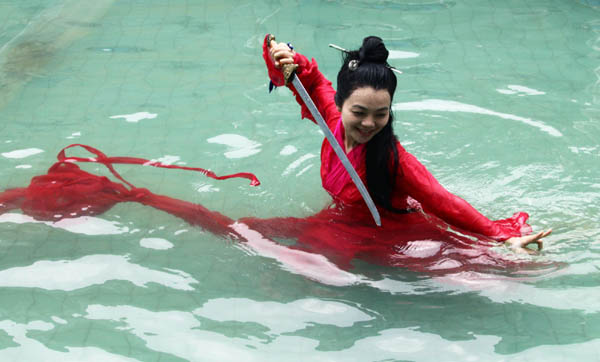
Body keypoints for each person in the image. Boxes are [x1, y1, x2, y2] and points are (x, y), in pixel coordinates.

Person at [263, 34, 551, 254]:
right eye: (359, 113)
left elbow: (443, 201)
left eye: (381, 114)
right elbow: (311, 83)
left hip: (391, 236)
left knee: (291, 255)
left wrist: (502, 237)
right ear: (340, 103)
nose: (369, 124)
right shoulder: (331, 118)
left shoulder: (394, 161)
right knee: (256, 234)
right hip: (345, 223)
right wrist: (289, 60)